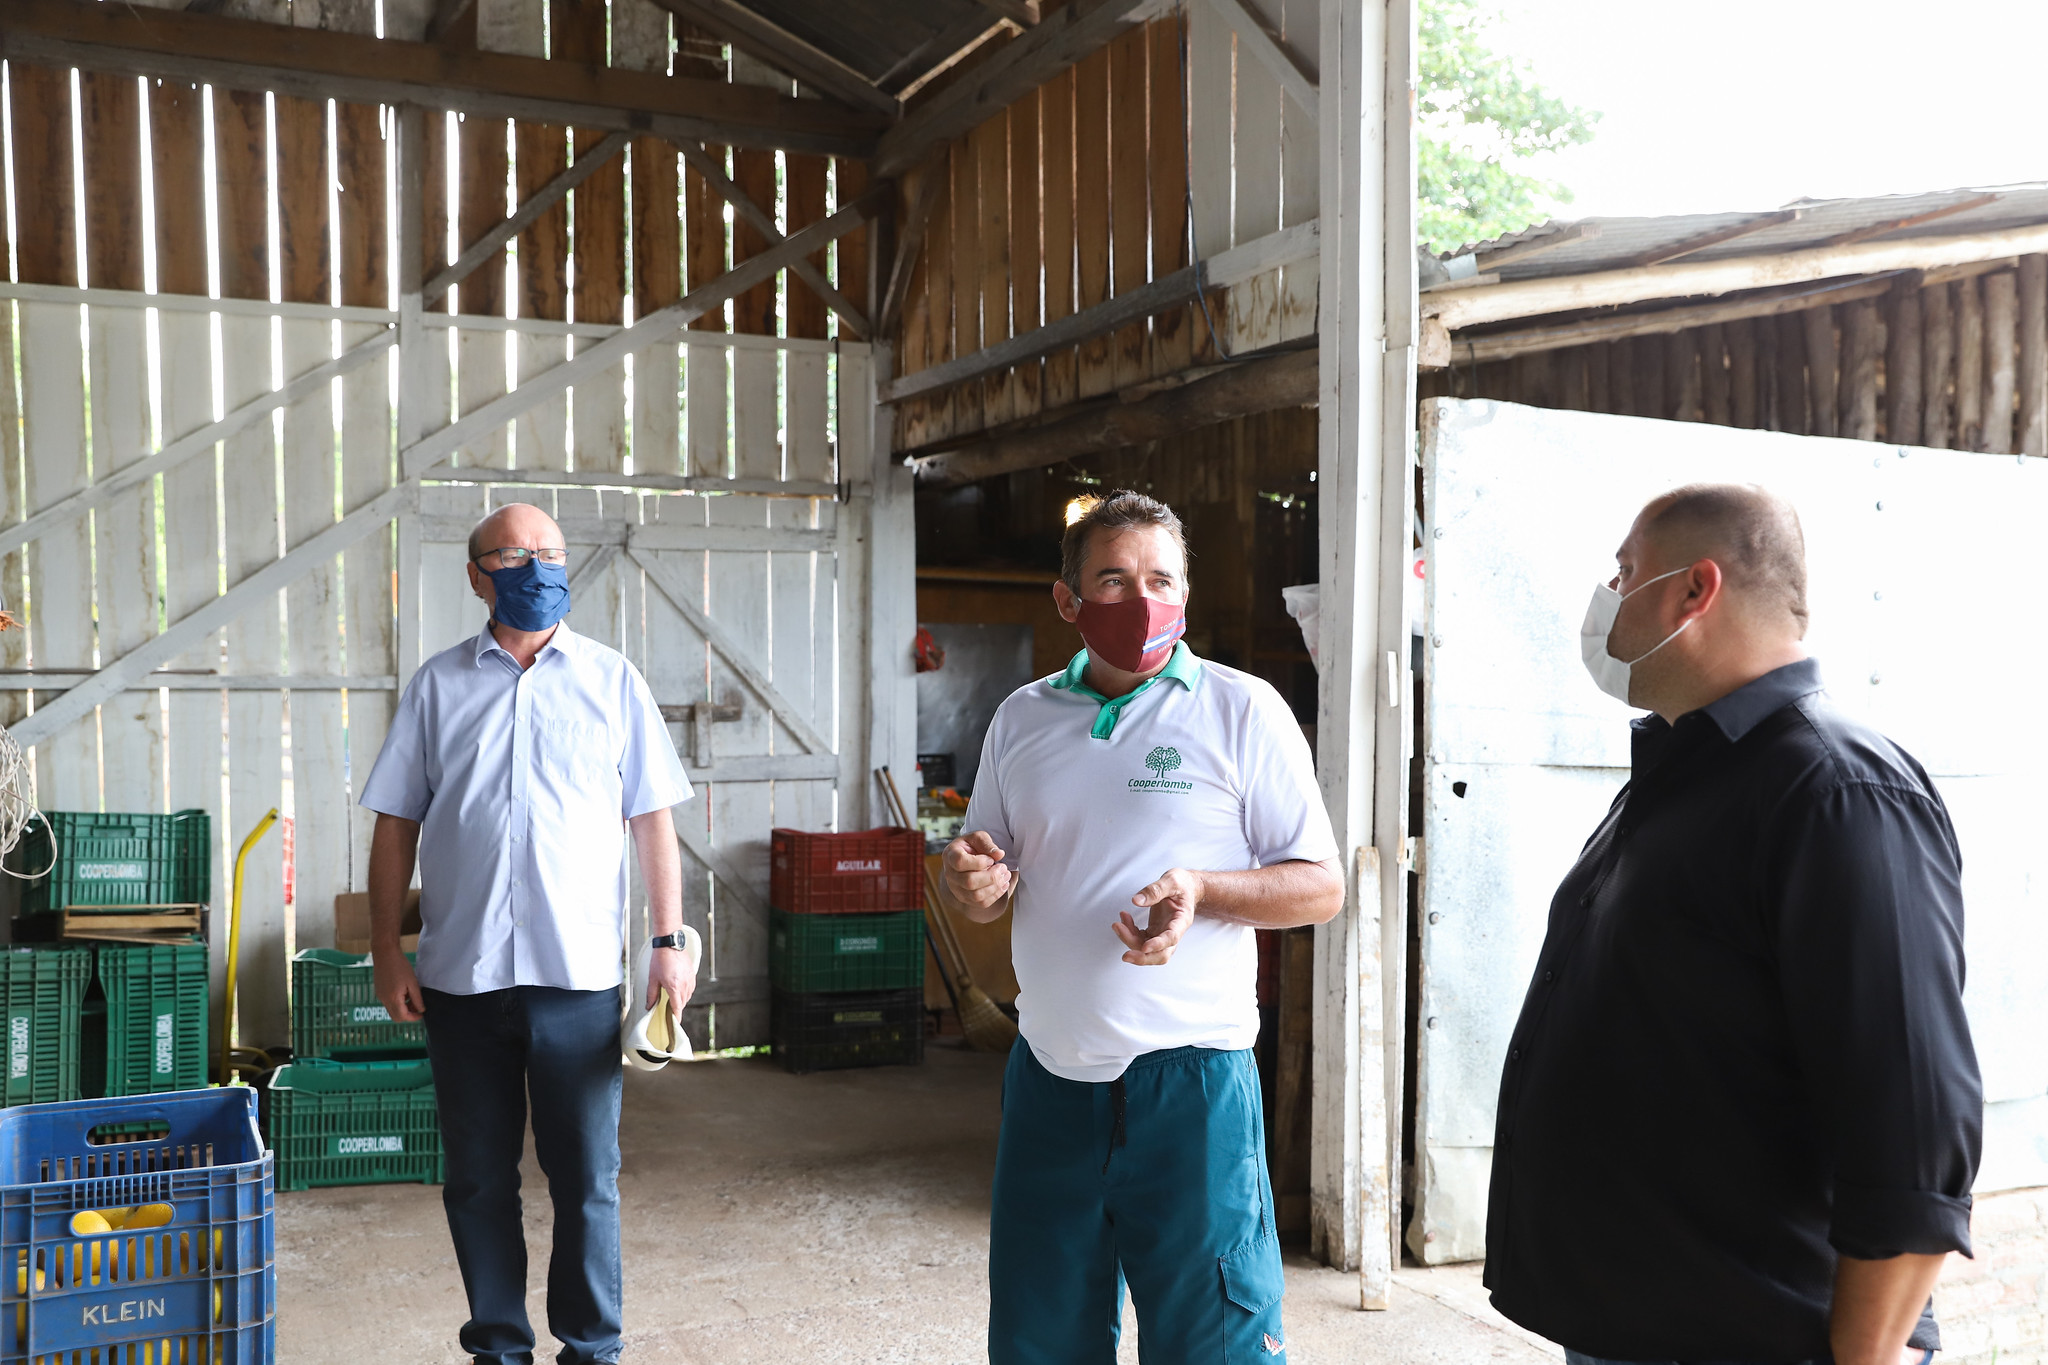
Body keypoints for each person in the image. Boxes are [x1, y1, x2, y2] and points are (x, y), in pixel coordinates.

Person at [1485, 484, 1982, 1365]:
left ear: (1694, 590)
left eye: (1624, 571)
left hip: (1752, 1336)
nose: (1607, 595)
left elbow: (1912, 1129)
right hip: (1642, 1322)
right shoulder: (1690, 768)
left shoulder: (1837, 790)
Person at [940, 490, 1345, 1364]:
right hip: (1049, 1078)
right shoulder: (1021, 718)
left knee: (1216, 1344)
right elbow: (987, 883)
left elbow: (1320, 886)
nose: (1142, 598)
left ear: (1186, 593)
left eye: (1161, 578)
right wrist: (971, 883)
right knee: (1038, 1340)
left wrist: (1202, 888)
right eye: (1114, 579)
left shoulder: (1243, 711)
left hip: (1191, 1085)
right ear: (1069, 599)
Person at [360, 501, 695, 1365]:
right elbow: (396, 822)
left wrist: (669, 942)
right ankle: (499, 1347)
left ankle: (592, 1348)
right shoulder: (437, 686)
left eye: (550, 551)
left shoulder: (612, 681)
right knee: (478, 1179)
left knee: (587, 1181)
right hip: (462, 980)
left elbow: (652, 819)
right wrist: (388, 947)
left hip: (576, 980)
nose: (536, 568)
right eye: (513, 555)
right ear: (478, 576)